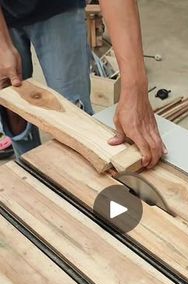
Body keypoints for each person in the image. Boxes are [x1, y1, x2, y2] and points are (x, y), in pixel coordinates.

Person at [0, 0, 167, 168]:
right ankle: (28, 171)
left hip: (57, 7)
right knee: (12, 104)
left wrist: (136, 90)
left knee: (75, 115)